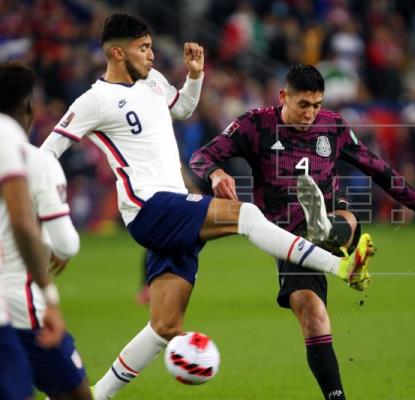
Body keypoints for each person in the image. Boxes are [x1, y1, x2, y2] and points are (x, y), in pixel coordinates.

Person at [41, 14, 374, 400]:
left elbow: (181, 108)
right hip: (148, 206)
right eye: (143, 48)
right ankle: (340, 266)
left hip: (171, 205)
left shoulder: (152, 82)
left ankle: (94, 396)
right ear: (118, 52)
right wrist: (53, 215)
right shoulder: (94, 100)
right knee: (246, 215)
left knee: (164, 326)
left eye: (150, 46)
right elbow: (48, 152)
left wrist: (194, 76)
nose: (152, 55)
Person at [190, 63, 415, 400]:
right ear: (283, 96)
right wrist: (216, 174)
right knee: (313, 315)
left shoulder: (333, 126)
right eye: (303, 105)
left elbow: (376, 167)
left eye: (317, 105)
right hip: (287, 238)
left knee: (346, 220)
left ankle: (324, 226)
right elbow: (201, 156)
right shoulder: (255, 124)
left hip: (334, 214)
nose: (311, 113)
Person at [0, 61, 67, 399]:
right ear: (28, 103)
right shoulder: (9, 137)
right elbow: (21, 218)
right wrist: (50, 296)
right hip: (14, 302)